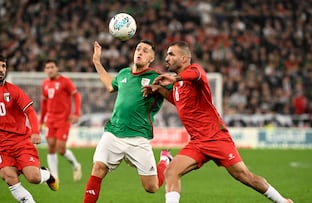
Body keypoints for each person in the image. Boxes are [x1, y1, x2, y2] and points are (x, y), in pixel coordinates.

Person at [142, 41, 293, 203]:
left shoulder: (195, 71)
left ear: (184, 58)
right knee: (171, 172)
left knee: (244, 176)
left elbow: (196, 74)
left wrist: (174, 78)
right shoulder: (178, 86)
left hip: (216, 138)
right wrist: (159, 90)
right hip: (197, 142)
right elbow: (178, 101)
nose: (166, 58)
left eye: (171, 54)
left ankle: (283, 202)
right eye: (166, 54)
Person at [83, 41, 173, 203]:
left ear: (151, 58)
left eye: (145, 51)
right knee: (98, 168)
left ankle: (165, 161)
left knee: (151, 187)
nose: (140, 52)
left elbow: (175, 98)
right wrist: (97, 61)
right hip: (113, 133)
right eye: (138, 49)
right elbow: (110, 86)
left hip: (138, 137)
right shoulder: (124, 73)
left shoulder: (156, 78)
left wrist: (160, 89)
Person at [0, 52, 59, 203]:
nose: (1, 69)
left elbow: (30, 111)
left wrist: (35, 131)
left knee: (33, 178)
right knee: (9, 177)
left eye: (3, 66)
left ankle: (47, 175)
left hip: (21, 142)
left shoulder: (14, 91)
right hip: (0, 147)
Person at [40, 59, 82, 182]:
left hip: (64, 119)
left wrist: (76, 113)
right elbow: (43, 104)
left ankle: (76, 165)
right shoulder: (45, 84)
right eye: (47, 68)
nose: (50, 70)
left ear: (57, 68)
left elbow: (77, 96)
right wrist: (41, 121)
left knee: (61, 148)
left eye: (52, 67)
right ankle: (54, 177)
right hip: (50, 120)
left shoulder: (65, 81)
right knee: (51, 147)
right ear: (45, 70)